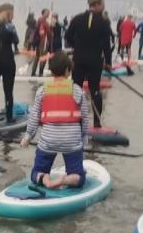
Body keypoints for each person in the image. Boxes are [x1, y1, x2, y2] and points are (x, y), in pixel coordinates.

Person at [24, 52, 94, 187]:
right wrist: (84, 138)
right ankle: (68, 179)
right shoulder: (77, 91)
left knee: (36, 172)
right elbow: (85, 118)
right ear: (68, 71)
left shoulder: (42, 91)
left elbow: (34, 117)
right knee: (79, 177)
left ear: (51, 71)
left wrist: (28, 137)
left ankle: (44, 178)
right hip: (72, 140)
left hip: (48, 140)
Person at [65, 0, 114, 124]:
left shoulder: (77, 18)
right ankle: (97, 123)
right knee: (95, 90)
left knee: (76, 89)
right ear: (97, 4)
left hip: (78, 59)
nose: (104, 6)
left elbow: (68, 36)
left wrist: (77, 46)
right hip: (95, 61)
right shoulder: (104, 22)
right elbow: (106, 45)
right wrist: (108, 62)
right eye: (102, 4)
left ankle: (74, 119)